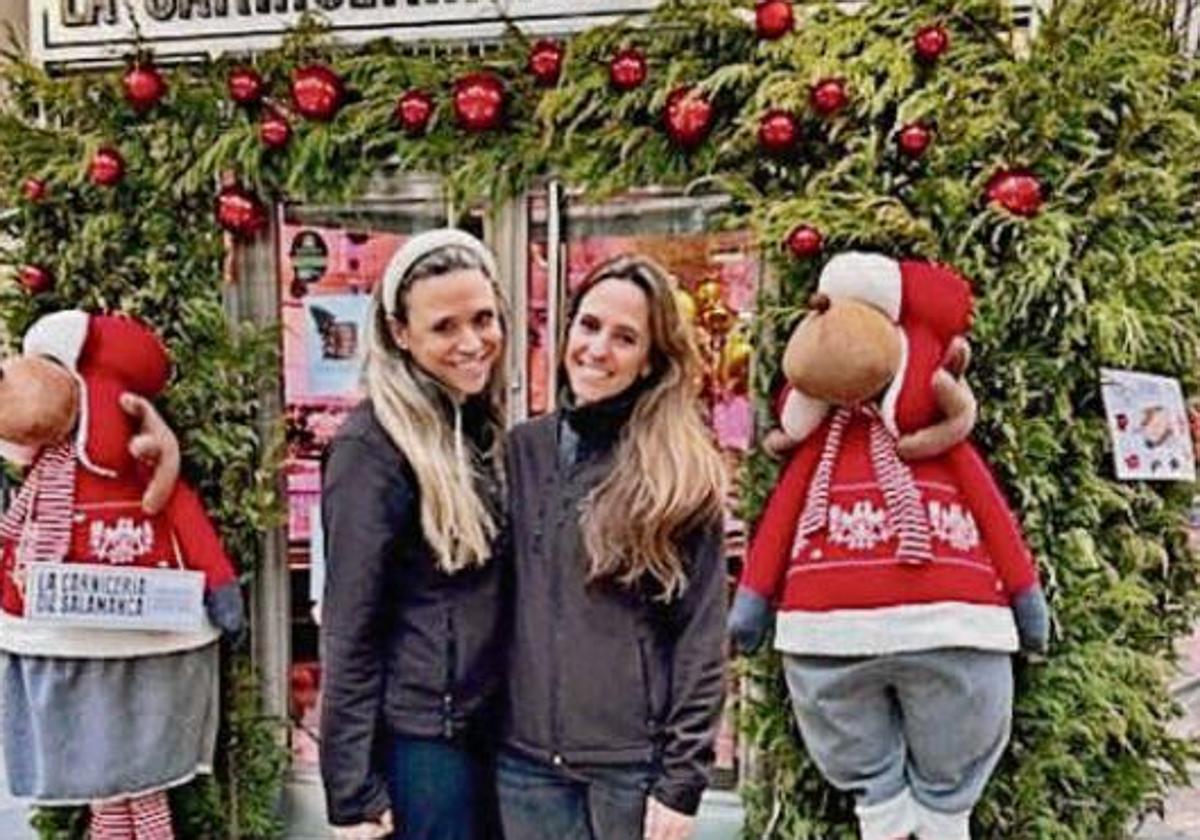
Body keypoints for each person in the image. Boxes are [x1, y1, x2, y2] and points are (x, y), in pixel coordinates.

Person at [499, 255, 729, 840]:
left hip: (631, 771)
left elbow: (702, 639)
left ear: (651, 360)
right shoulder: (520, 451)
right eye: (589, 325)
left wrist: (682, 782)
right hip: (525, 769)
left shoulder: (678, 473)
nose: (598, 349)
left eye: (624, 337)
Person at [319, 229, 509, 840]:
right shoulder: (371, 448)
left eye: (483, 318)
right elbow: (350, 624)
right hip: (424, 741)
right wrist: (350, 791)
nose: (472, 342)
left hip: (492, 726)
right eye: (444, 327)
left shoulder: (480, 427)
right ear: (401, 333)